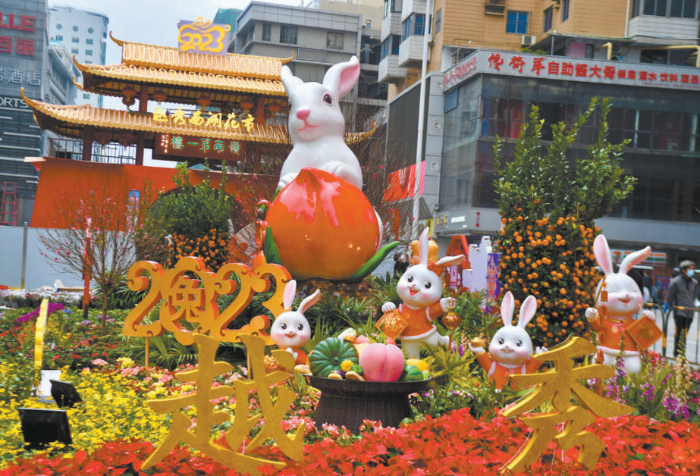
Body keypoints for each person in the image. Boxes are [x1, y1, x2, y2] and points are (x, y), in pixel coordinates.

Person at [666, 260, 699, 357]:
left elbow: (693, 297)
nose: (692, 271)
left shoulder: (694, 283)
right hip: (679, 313)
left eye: (693, 269)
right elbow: (669, 297)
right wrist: (674, 308)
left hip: (690, 313)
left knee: (685, 334)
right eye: (690, 269)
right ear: (684, 270)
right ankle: (677, 354)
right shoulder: (675, 282)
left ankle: (681, 353)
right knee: (679, 334)